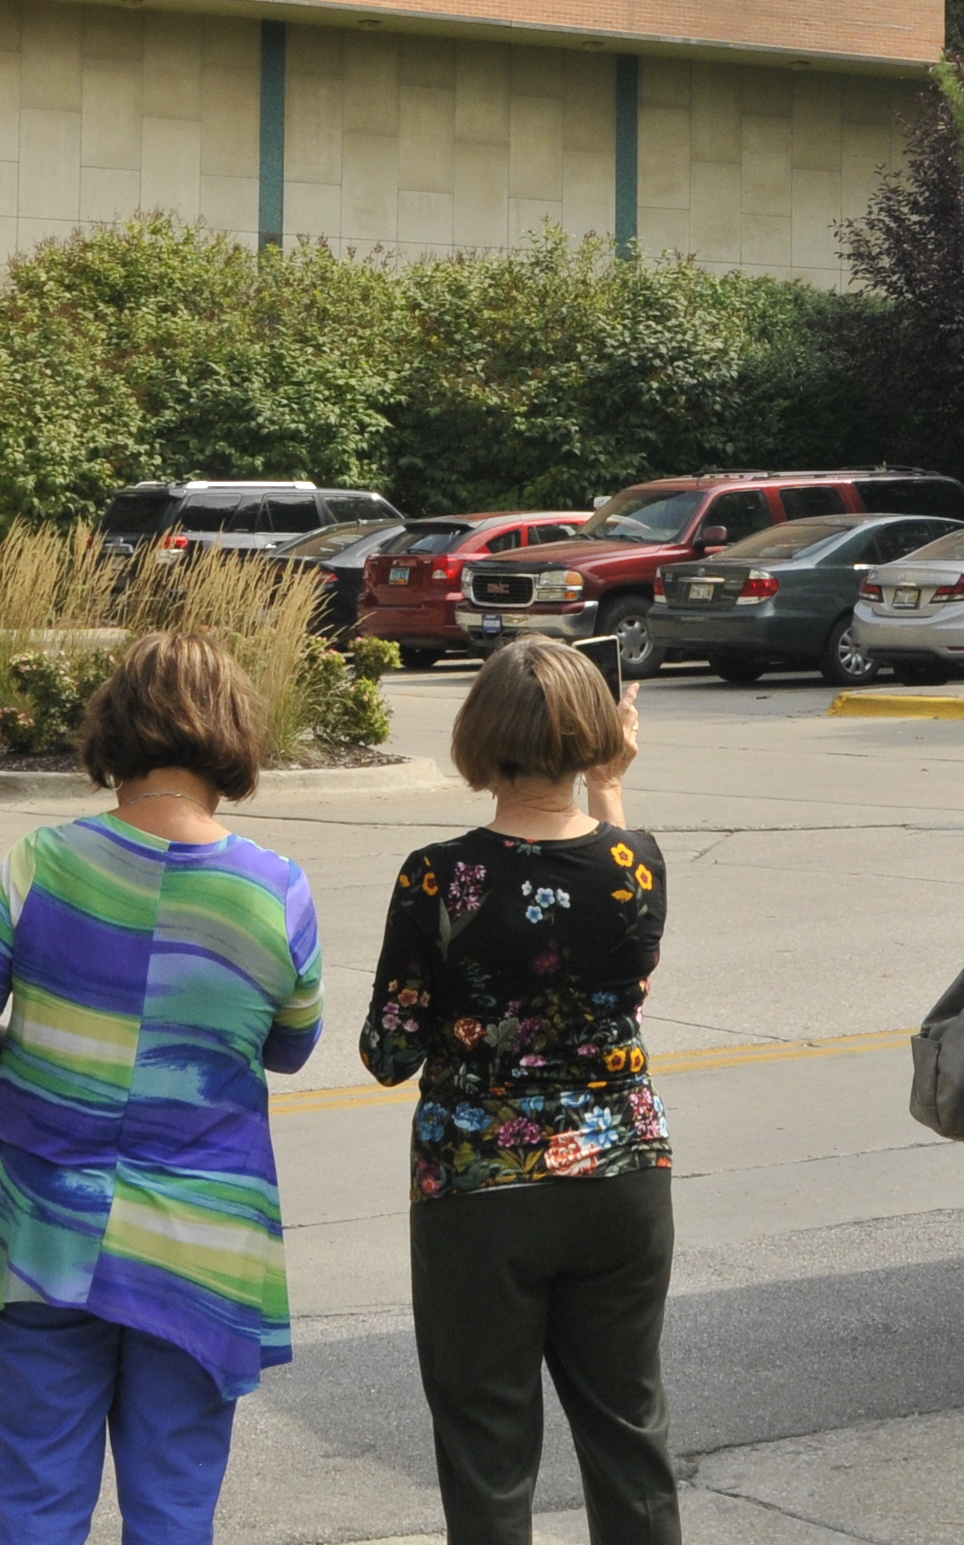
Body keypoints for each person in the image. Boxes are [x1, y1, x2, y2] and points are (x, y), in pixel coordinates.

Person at [0, 630, 325, 1545]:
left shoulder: (40, 864)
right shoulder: (276, 892)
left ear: (116, 731)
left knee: (37, 1505)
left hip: (44, 1235)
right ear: (230, 734)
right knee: (175, 1510)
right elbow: (293, 1047)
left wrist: (24, 1052)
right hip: (198, 1248)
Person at [361, 635, 676, 1545]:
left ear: (480, 736)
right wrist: (613, 779)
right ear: (595, 737)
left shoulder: (438, 875)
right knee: (629, 1431)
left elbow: (391, 1049)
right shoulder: (638, 865)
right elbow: (625, 925)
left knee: (489, 1449)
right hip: (622, 1172)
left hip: (480, 1187)